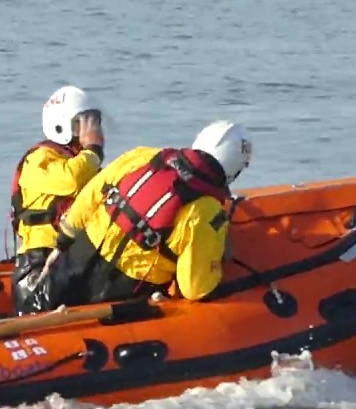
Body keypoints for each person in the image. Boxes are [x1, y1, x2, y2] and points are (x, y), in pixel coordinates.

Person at [43, 120, 253, 305]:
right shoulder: (206, 211)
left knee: (41, 304)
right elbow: (194, 288)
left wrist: (62, 243)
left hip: (80, 254)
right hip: (124, 288)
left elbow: (91, 194)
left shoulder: (143, 156)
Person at [8, 85, 106, 314]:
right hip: (39, 268)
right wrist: (93, 150)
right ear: (62, 125)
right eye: (82, 124)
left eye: (94, 123)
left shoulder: (85, 166)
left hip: (71, 261)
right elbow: (71, 179)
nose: (90, 132)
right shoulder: (39, 160)